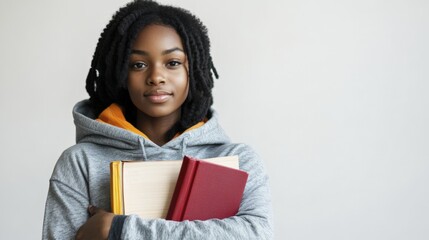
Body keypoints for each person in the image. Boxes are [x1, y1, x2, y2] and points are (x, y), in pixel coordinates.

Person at [42, 0, 273, 239]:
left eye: (173, 63)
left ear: (193, 70)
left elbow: (256, 234)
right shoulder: (81, 163)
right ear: (121, 73)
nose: (156, 77)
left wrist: (118, 230)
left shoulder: (237, 160)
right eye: (138, 64)